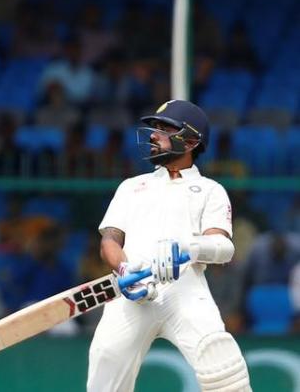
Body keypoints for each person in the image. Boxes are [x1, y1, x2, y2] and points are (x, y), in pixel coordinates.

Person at [87, 100, 251, 391]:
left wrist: (189, 247)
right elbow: (109, 241)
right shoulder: (131, 187)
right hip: (133, 292)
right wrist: (125, 267)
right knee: (105, 365)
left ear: (190, 140)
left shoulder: (210, 190)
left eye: (164, 130)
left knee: (224, 368)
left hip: (185, 292)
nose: (153, 135)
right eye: (155, 128)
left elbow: (223, 247)